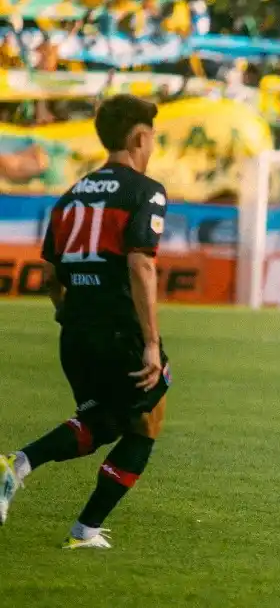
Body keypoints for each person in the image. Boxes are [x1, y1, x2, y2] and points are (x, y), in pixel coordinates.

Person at [0, 94, 171, 549]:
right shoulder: (146, 190)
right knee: (147, 421)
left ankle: (18, 467)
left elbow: (51, 275)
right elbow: (141, 265)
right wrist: (150, 342)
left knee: (108, 422)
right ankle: (84, 529)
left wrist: (64, 311)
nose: (152, 144)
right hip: (120, 329)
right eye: (151, 136)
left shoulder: (71, 195)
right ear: (139, 136)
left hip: (75, 333)